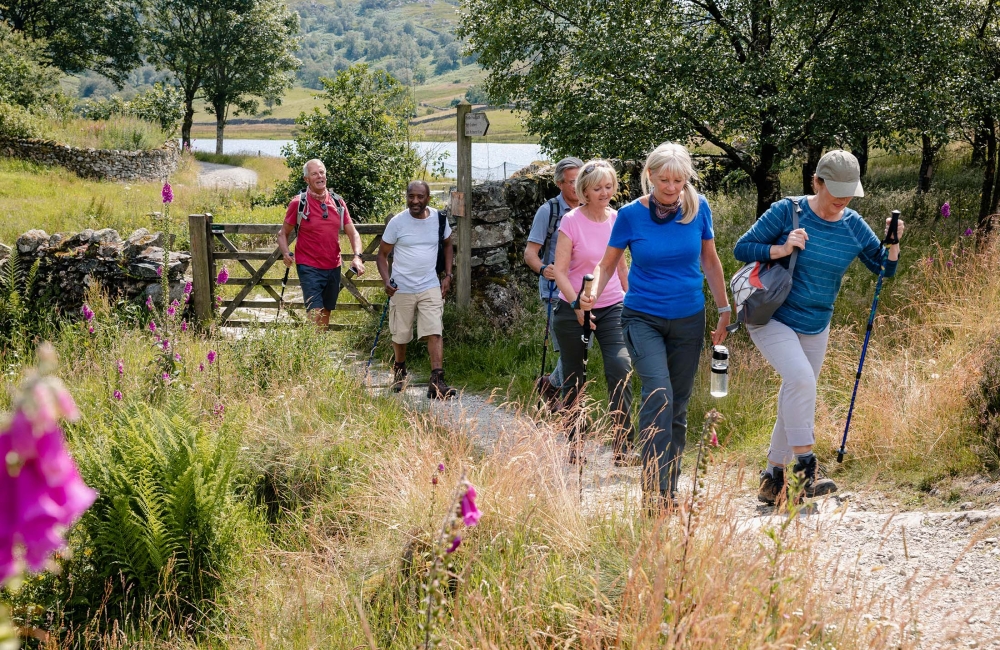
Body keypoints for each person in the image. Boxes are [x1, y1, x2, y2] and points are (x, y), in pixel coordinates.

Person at [733, 149, 905, 505]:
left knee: (796, 390)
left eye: (848, 192)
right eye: (835, 191)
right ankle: (805, 472)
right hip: (772, 314)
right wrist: (781, 248)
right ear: (817, 182)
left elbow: (883, 271)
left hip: (816, 322)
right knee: (800, 381)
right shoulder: (788, 210)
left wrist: (893, 245)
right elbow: (742, 248)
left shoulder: (853, 224)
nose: (841, 199)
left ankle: (772, 479)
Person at [587, 143, 730, 509]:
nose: (671, 187)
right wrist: (590, 295)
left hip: (688, 318)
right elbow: (607, 264)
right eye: (664, 179)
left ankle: (670, 488)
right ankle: (652, 492)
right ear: (649, 175)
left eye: (678, 180)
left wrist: (724, 308)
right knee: (658, 396)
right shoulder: (631, 216)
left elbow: (710, 263)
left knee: (678, 406)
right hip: (642, 317)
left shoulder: (698, 209)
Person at [551, 159, 635, 465]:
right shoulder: (571, 221)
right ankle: (576, 446)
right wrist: (576, 305)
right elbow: (559, 271)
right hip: (572, 306)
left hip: (612, 306)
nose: (605, 192)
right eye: (597, 187)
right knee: (574, 377)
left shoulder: (617, 219)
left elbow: (621, 264)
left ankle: (623, 448)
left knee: (620, 367)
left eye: (609, 186)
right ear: (584, 190)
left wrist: (630, 297)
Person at [376, 180, 457, 399]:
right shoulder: (397, 223)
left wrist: (448, 275)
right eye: (411, 196)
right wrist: (386, 281)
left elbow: (448, 244)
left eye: (420, 197)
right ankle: (400, 371)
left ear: (427, 198)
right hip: (401, 286)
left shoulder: (439, 220)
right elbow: (382, 255)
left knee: (434, 330)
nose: (415, 201)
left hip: (430, 284)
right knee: (401, 334)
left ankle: (437, 381)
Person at [277, 159, 366, 328]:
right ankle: (310, 351)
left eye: (322, 172)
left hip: (333, 265)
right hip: (308, 266)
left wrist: (357, 257)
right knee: (315, 313)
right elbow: (282, 234)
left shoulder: (338, 202)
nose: (319, 176)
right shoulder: (298, 203)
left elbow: (353, 232)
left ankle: (318, 352)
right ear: (306, 179)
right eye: (314, 173)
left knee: (325, 314)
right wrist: (285, 252)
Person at [523, 157, 584, 405]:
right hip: (554, 290)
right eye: (572, 182)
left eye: (581, 180)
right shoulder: (549, 211)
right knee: (572, 348)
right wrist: (543, 269)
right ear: (559, 183)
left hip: (584, 289)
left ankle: (551, 385)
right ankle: (567, 400)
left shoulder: (591, 209)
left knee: (580, 346)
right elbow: (530, 253)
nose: (577, 186)